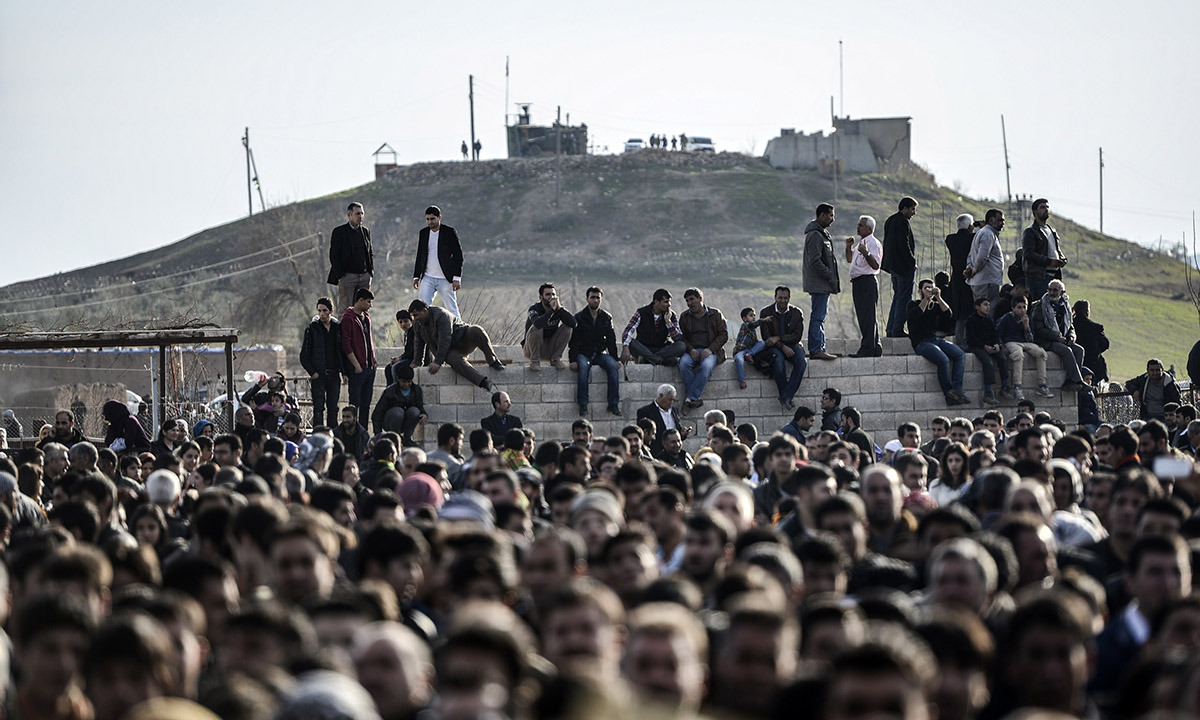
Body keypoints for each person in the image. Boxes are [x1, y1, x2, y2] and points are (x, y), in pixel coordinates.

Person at [408, 299, 504, 391]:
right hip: (449, 351)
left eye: (416, 315)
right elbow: (418, 343)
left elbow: (445, 339)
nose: (415, 318)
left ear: (425, 310)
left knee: (476, 330)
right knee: (453, 359)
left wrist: (437, 361)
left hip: (462, 339)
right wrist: (416, 362)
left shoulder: (441, 315)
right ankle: (483, 382)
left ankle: (493, 361)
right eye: (413, 316)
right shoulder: (417, 324)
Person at [908, 278, 968, 406]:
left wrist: (939, 298)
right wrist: (926, 299)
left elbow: (949, 314)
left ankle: (957, 389)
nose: (929, 290)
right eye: (926, 288)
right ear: (920, 291)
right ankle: (948, 393)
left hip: (936, 339)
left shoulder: (935, 306)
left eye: (931, 287)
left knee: (960, 354)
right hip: (921, 343)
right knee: (943, 359)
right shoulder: (913, 304)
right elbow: (915, 315)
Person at [570, 286, 621, 416]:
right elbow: (574, 341)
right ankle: (583, 404)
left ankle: (613, 403)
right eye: (592, 297)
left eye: (598, 297)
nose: (595, 300)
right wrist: (573, 360)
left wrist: (615, 358)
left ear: (601, 299)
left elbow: (611, 339)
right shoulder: (580, 317)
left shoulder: (606, 317)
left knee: (612, 366)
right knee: (583, 368)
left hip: (600, 354)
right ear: (587, 299)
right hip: (584, 353)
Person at [1030, 279, 1087, 392]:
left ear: (1062, 293)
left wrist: (1071, 337)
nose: (1051, 293)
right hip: (1046, 341)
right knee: (1066, 351)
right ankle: (1079, 381)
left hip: (1062, 339)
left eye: (1055, 290)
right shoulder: (1040, 306)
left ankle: (1070, 381)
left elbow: (1070, 325)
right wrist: (1056, 337)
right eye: (1050, 290)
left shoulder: (1065, 307)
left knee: (1079, 350)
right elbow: (1039, 329)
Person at [677, 287, 729, 409]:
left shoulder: (715, 314)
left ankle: (690, 398)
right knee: (684, 364)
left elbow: (723, 335)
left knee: (706, 366)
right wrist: (690, 349)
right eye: (687, 301)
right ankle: (694, 397)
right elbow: (681, 337)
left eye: (692, 299)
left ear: (700, 299)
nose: (689, 303)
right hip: (692, 351)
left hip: (712, 351)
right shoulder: (684, 317)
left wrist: (710, 349)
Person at [760, 285, 808, 409]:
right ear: (775, 297)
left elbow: (797, 336)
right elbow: (767, 338)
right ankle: (786, 396)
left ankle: (786, 395)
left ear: (789, 298)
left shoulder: (797, 313)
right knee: (778, 360)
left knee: (801, 362)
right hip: (775, 347)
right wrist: (782, 346)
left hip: (792, 344)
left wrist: (779, 338)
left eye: (785, 298)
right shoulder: (765, 313)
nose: (783, 301)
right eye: (780, 298)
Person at [411, 205, 463, 319]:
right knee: (422, 308)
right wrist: (416, 276)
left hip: (445, 278)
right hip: (427, 277)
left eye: (432, 219)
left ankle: (460, 333)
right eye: (427, 219)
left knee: (452, 309)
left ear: (439, 217)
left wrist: (457, 277)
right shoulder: (423, 233)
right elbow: (420, 255)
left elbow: (458, 255)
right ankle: (424, 334)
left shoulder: (449, 232)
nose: (430, 222)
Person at [803, 203, 841, 360]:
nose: (833, 219)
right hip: (819, 283)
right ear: (822, 215)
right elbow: (815, 261)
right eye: (830, 215)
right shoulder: (815, 235)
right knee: (818, 317)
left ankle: (820, 347)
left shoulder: (821, 233)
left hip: (823, 283)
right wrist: (829, 275)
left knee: (821, 316)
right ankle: (816, 349)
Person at [996, 294, 1050, 401]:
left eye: (1024, 307)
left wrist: (1027, 327)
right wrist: (1002, 347)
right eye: (1019, 307)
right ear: (1013, 308)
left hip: (1024, 342)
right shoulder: (1007, 318)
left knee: (1041, 353)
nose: (1022, 310)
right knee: (1018, 354)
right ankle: (1017, 386)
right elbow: (998, 334)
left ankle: (1042, 385)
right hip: (1011, 341)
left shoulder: (1028, 319)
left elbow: (1031, 340)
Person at [300, 296, 343, 428]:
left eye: (324, 310)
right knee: (318, 409)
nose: (322, 314)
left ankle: (333, 439)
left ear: (331, 311)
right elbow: (304, 355)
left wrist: (343, 372)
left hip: (334, 374)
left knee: (333, 409)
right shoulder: (312, 329)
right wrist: (313, 373)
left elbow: (341, 352)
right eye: (319, 311)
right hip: (319, 375)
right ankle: (318, 437)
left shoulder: (337, 328)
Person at [340, 288, 378, 431]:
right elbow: (346, 344)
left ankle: (362, 433)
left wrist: (373, 360)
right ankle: (352, 432)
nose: (370, 305)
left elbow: (369, 341)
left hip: (369, 368)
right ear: (360, 300)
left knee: (366, 404)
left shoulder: (366, 318)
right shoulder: (348, 318)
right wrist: (356, 365)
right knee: (354, 403)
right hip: (357, 369)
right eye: (368, 302)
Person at [846, 214, 884, 357]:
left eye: (861, 225)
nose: (858, 227)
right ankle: (875, 346)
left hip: (867, 281)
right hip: (858, 282)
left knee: (868, 316)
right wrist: (849, 247)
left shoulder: (873, 243)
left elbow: (875, 265)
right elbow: (850, 259)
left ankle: (868, 348)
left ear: (869, 228)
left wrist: (866, 253)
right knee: (864, 316)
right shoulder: (861, 243)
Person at [964, 297, 1012, 405]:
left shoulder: (989, 319)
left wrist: (997, 345)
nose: (988, 307)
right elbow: (971, 338)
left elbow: (995, 334)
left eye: (989, 305)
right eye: (985, 305)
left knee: (1002, 359)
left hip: (990, 346)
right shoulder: (971, 320)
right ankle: (988, 392)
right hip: (977, 346)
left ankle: (1005, 387)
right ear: (977, 307)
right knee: (988, 362)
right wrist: (984, 346)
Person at [882, 196, 918, 338]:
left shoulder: (890, 220)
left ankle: (891, 329)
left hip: (893, 267)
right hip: (903, 267)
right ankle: (897, 329)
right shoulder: (903, 222)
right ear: (905, 208)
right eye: (913, 209)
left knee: (897, 297)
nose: (914, 213)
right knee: (904, 298)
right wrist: (912, 262)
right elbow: (904, 244)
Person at [327, 202, 373, 313]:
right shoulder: (339, 232)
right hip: (347, 277)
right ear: (349, 215)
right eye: (357, 213)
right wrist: (341, 276)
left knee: (363, 310)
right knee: (346, 310)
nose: (360, 216)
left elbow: (370, 252)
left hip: (364, 277)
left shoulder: (365, 231)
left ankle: (362, 330)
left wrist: (370, 272)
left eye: (362, 213)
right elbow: (334, 256)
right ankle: (345, 331)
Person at [620, 288, 686, 366]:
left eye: (669, 301)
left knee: (681, 346)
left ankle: (648, 359)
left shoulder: (671, 315)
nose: (669, 305)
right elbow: (628, 330)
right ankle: (658, 360)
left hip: (662, 348)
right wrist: (625, 347)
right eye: (666, 302)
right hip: (644, 348)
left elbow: (677, 338)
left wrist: (668, 322)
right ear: (656, 302)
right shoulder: (641, 312)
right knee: (630, 342)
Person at [1021, 198, 1068, 301]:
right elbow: (1029, 254)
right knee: (1039, 306)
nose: (1046, 209)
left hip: (1054, 277)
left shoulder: (1052, 231)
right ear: (1034, 211)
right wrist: (1049, 261)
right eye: (1042, 207)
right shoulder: (1031, 232)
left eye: (1047, 207)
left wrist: (1062, 259)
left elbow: (1056, 249)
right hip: (1038, 277)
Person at [523, 282, 576, 371]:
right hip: (531, 350)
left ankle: (555, 359)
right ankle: (535, 361)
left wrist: (560, 309)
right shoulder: (534, 308)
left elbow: (574, 324)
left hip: (549, 348)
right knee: (537, 327)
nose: (551, 297)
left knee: (567, 327)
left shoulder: (558, 309)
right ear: (540, 297)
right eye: (548, 294)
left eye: (553, 294)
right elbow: (537, 324)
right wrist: (551, 311)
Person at [371, 366, 426, 447]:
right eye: (403, 382)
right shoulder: (390, 391)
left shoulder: (416, 390)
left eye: (409, 382)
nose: (406, 385)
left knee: (415, 411)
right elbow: (377, 413)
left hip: (405, 422)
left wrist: (424, 414)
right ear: (398, 379)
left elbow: (419, 406)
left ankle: (407, 439)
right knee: (398, 412)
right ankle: (395, 438)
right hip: (390, 421)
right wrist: (378, 435)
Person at [964, 208, 1005, 310]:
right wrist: (974, 270)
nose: (1003, 223)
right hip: (986, 282)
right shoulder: (987, 234)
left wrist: (970, 267)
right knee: (987, 311)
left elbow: (970, 256)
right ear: (991, 221)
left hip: (983, 280)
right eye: (1000, 220)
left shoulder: (984, 233)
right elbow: (982, 257)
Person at [945, 213, 976, 344]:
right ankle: (967, 341)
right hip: (970, 277)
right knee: (969, 311)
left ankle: (959, 341)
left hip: (956, 279)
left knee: (959, 313)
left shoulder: (950, 239)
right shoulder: (973, 238)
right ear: (970, 226)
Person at [636, 384, 689, 457]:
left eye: (673, 400)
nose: (672, 402)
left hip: (673, 453)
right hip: (656, 453)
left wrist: (683, 434)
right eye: (670, 399)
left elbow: (677, 429)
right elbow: (643, 434)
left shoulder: (674, 410)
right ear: (661, 396)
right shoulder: (645, 412)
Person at [1126, 357, 1182, 421]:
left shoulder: (1170, 383)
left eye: (1157, 370)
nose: (1155, 373)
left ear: (1162, 370)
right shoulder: (1144, 379)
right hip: (1147, 416)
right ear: (1147, 371)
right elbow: (1128, 383)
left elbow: (1177, 402)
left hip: (1166, 417)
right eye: (1152, 370)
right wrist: (1134, 391)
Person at [1072, 300, 1110, 383]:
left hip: (1075, 363)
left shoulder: (1070, 325)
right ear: (1087, 312)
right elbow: (1105, 344)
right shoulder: (1095, 327)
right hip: (1093, 365)